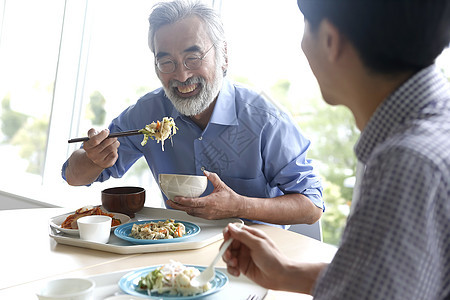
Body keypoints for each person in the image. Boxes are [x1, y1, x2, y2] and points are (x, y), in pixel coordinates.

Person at [222, 0, 450, 299]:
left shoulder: (406, 164)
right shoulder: (434, 129)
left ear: (330, 40)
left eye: (305, 26)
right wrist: (288, 274)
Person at [61, 0, 324, 228]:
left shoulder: (265, 121)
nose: (181, 75)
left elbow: (312, 206)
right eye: (167, 62)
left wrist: (240, 206)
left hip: (255, 255)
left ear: (224, 57)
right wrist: (93, 159)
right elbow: (73, 176)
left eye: (193, 58)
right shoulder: (149, 113)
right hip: (178, 253)